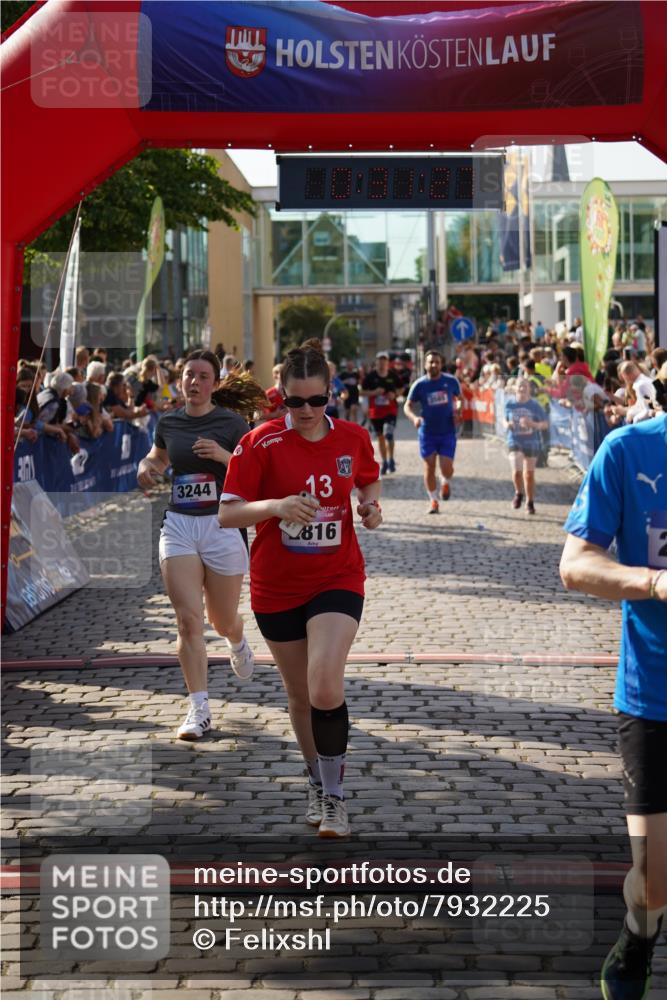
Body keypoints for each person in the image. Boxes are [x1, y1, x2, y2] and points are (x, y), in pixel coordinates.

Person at [219, 339, 382, 838]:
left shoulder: (353, 437)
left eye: (317, 400)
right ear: (281, 395)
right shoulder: (260, 442)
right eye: (295, 401)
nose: (307, 410)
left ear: (331, 393)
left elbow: (368, 480)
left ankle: (334, 796)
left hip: (337, 576)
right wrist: (276, 507)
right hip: (277, 585)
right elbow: (228, 513)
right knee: (299, 696)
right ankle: (315, 780)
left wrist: (370, 507)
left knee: (325, 683)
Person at [559, 401, 667, 1000]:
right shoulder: (627, 450)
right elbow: (575, 565)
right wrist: (653, 582)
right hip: (655, 694)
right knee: (654, 881)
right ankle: (639, 931)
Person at [137, 350, 267, 741]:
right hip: (179, 524)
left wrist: (224, 456)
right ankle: (199, 708)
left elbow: (255, 473)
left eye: (203, 376)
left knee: (220, 619)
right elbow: (158, 457)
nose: (194, 382)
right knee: (188, 621)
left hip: (222, 524)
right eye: (188, 374)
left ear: (215, 382)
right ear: (180, 380)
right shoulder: (169, 421)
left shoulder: (232, 423)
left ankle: (237, 639)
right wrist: (147, 467)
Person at [404, 350, 461, 513]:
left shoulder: (451, 381)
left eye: (437, 362)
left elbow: (459, 399)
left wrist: (458, 410)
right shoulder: (420, 384)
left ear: (441, 364)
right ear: (425, 365)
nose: (434, 365)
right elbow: (407, 405)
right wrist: (414, 418)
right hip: (427, 432)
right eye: (431, 362)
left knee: (446, 469)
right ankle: (433, 500)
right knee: (429, 466)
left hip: (447, 431)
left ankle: (445, 481)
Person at [503, 378, 549, 514]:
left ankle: (530, 502)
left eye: (525, 386)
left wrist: (532, 424)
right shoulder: (510, 404)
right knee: (517, 471)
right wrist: (508, 424)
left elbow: (545, 424)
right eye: (520, 386)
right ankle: (518, 493)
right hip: (514, 440)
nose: (522, 389)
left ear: (529, 389)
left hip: (531, 442)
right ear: (515, 388)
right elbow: (504, 419)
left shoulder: (535, 405)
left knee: (529, 474)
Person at [361, 351, 401, 474]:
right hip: (375, 412)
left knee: (388, 433)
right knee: (381, 437)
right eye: (380, 361)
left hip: (390, 410)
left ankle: (391, 458)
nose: (382, 364)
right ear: (376, 363)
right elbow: (361, 392)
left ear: (388, 363)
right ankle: (385, 461)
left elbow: (402, 388)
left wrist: (395, 394)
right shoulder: (370, 377)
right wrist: (374, 392)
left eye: (384, 361)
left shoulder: (393, 375)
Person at [340, 359, 361, 423]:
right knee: (348, 412)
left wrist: (357, 382)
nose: (350, 366)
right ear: (347, 366)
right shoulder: (343, 374)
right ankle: (347, 423)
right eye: (349, 365)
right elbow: (338, 383)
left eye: (351, 365)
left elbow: (359, 382)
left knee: (353, 409)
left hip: (355, 394)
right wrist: (345, 381)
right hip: (346, 394)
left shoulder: (356, 374)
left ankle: (355, 425)